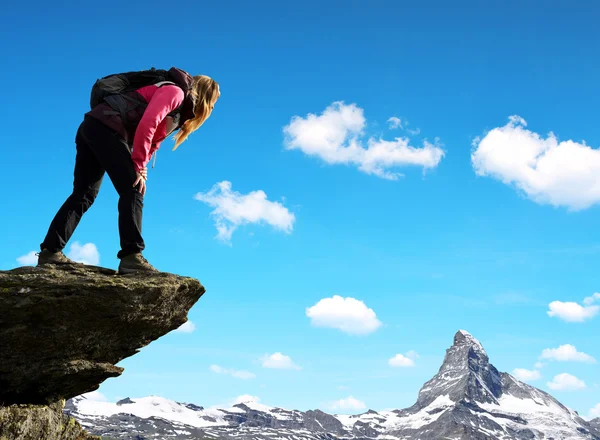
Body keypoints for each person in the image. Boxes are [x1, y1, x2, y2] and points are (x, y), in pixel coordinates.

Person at [37, 67, 220, 274]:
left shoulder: (181, 110)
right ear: (206, 97)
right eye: (213, 103)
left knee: (84, 194)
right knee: (132, 190)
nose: (212, 109)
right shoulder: (175, 92)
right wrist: (139, 165)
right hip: (107, 128)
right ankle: (132, 257)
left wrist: (142, 168)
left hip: (94, 125)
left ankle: (50, 252)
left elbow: (154, 140)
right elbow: (148, 123)